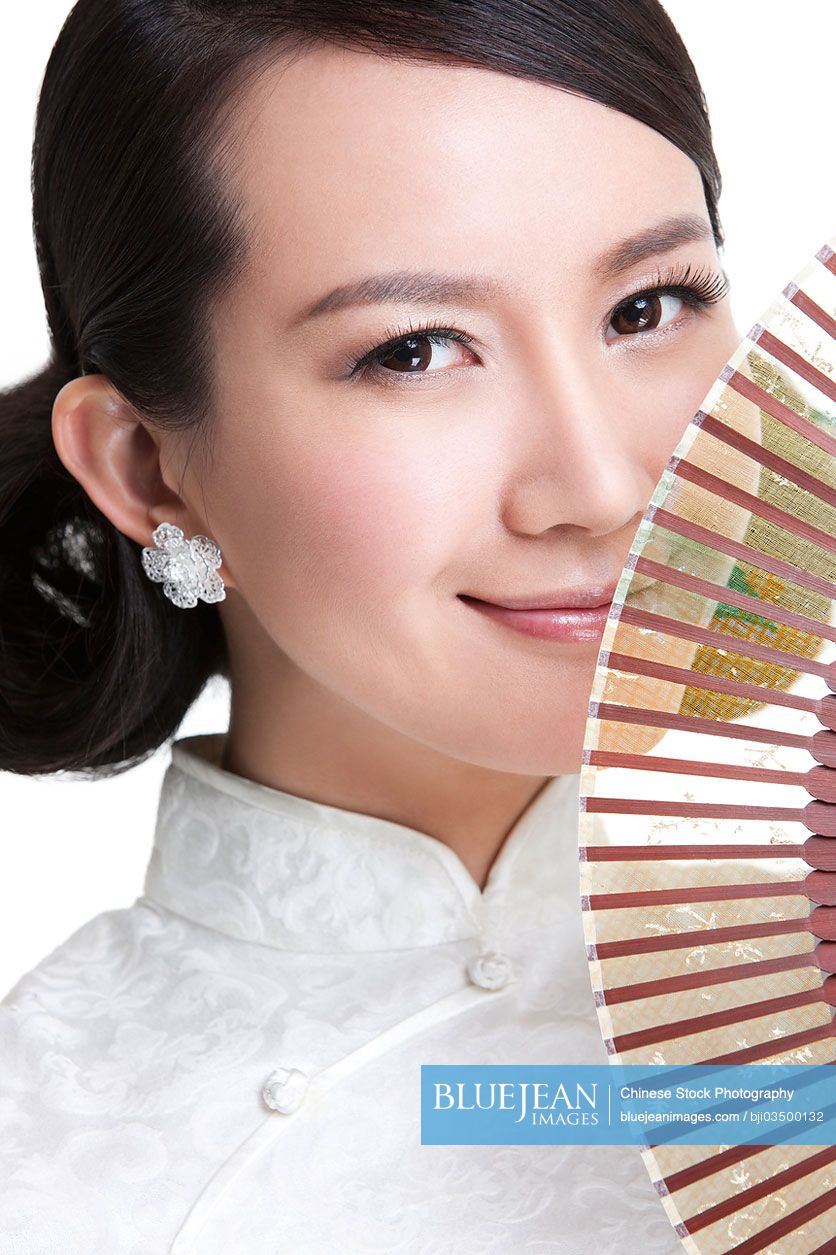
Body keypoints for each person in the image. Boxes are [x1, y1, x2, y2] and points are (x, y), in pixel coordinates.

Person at [0, 1, 742, 1250]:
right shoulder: (47, 1164)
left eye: (645, 308)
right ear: (146, 471)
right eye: (412, 350)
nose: (603, 487)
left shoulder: (791, 986)